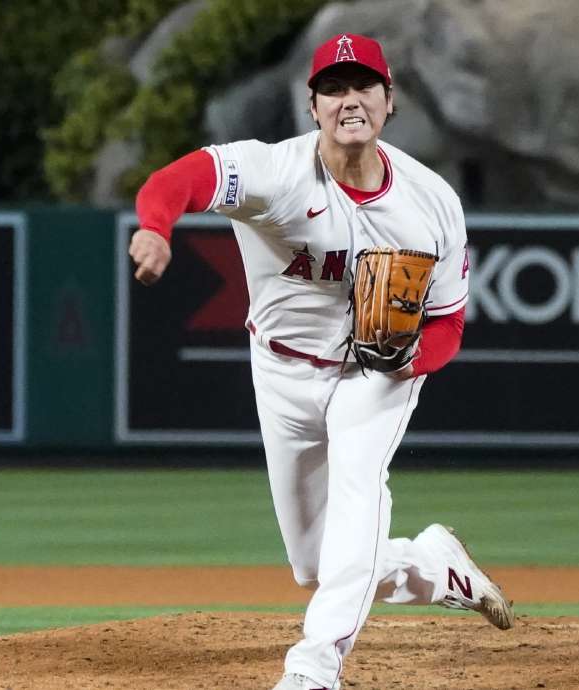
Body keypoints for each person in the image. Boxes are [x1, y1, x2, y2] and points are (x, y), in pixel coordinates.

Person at [129, 32, 514, 690]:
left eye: (363, 85)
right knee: (314, 564)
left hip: (374, 375)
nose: (349, 99)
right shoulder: (275, 173)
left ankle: (314, 669)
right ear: (313, 106)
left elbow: (448, 319)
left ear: (389, 101)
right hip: (279, 370)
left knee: (360, 498)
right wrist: (155, 227)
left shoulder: (432, 203)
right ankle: (439, 568)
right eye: (333, 89)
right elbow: (179, 180)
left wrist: (415, 358)